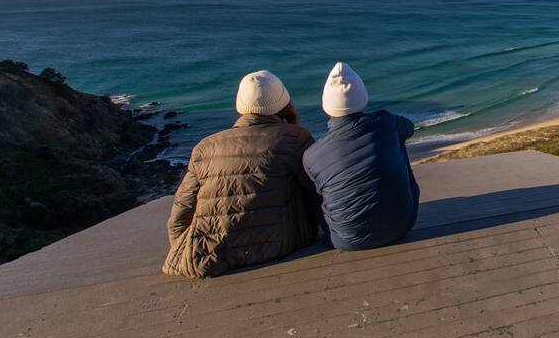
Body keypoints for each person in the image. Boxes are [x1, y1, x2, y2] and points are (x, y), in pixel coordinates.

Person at [162, 70, 322, 278]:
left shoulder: (205, 147)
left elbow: (181, 210)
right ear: (284, 102)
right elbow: (318, 190)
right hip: (281, 243)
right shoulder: (294, 138)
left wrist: (182, 247)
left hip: (211, 255)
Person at [302, 62, 420, 251]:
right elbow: (409, 128)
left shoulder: (311, 155)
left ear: (326, 106)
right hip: (402, 225)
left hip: (347, 241)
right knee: (397, 140)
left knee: (318, 186)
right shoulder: (387, 123)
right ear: (363, 98)